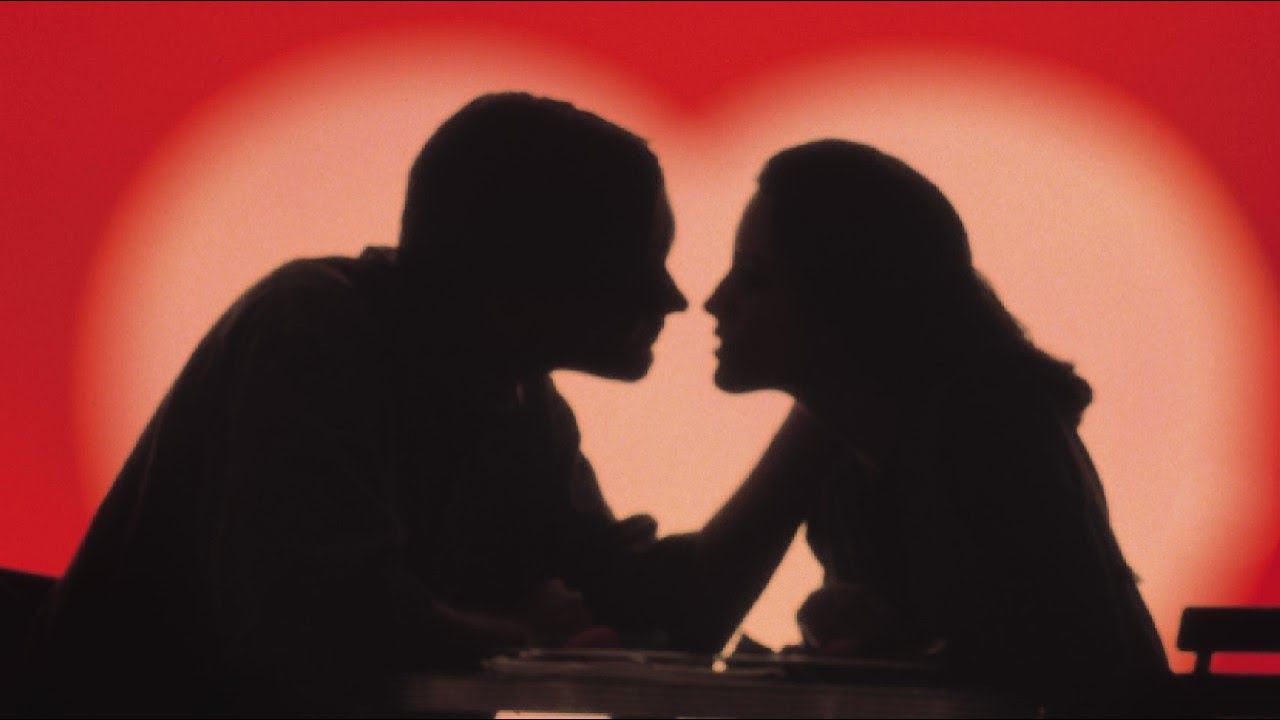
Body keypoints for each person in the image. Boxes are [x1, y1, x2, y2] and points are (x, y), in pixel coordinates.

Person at [29, 93, 832, 715]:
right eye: (639, 259)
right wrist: (522, 634)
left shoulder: (520, 404)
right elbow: (319, 619)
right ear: (528, 266)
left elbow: (653, 616)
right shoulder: (310, 330)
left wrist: (823, 408)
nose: (673, 296)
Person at [705, 140, 1170, 707]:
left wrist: (897, 641)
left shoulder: (986, 426)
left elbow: (1084, 660)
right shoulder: (852, 450)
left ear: (846, 292)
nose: (715, 301)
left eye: (754, 277)